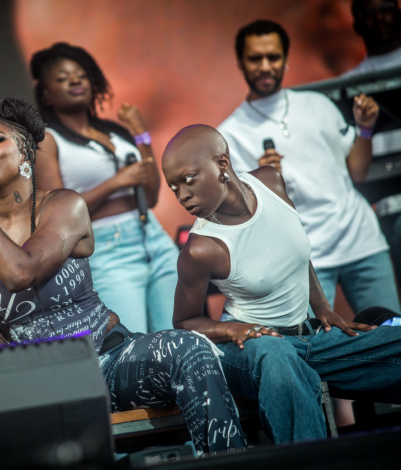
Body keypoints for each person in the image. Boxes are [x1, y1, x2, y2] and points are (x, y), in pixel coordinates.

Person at [0, 98, 246, 455]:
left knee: (188, 348)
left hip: (109, 359)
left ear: (24, 155)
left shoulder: (64, 205)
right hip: (41, 385)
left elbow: (19, 272)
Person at [162, 124, 401, 443]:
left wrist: (322, 307)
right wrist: (232, 329)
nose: (182, 195)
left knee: (392, 342)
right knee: (278, 359)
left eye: (187, 180)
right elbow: (184, 321)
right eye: (174, 187)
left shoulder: (270, 181)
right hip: (252, 350)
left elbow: (296, 251)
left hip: (309, 338)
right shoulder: (201, 248)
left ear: (222, 164)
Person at [217, 20, 400, 316]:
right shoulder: (229, 134)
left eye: (273, 57)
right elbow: (236, 218)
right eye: (255, 58)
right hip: (304, 260)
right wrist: (259, 184)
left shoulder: (318, 104)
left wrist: (365, 130)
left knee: (393, 336)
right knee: (319, 352)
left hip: (362, 241)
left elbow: (359, 173)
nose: (265, 66)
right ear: (240, 61)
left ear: (286, 59)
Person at [29, 43, 178, 333]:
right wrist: (117, 182)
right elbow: (56, 217)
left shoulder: (115, 132)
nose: (74, 81)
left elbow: (151, 195)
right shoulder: (48, 139)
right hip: (108, 249)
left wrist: (140, 134)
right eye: (62, 78)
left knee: (180, 338)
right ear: (46, 93)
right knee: (134, 349)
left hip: (154, 238)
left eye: (81, 75)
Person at [343, 0, 401, 295]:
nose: (379, 19)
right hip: (379, 208)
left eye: (385, 9)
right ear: (356, 25)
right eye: (368, 14)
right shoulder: (347, 87)